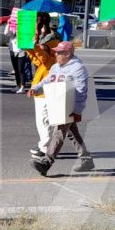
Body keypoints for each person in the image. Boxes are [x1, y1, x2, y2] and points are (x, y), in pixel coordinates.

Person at [29, 41, 95, 175]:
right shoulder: (55, 67)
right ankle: (86, 160)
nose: (56, 54)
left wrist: (77, 110)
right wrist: (35, 89)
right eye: (56, 52)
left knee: (58, 131)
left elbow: (81, 91)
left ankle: (46, 162)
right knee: (72, 133)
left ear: (68, 54)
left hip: (69, 105)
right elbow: (47, 80)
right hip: (58, 104)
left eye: (59, 52)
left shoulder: (78, 68)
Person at [27, 31, 59, 158]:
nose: (40, 45)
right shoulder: (50, 56)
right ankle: (45, 145)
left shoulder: (51, 58)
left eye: (42, 44)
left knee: (43, 121)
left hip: (44, 94)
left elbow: (42, 57)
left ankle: (45, 148)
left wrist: (33, 46)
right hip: (42, 94)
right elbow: (36, 59)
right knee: (44, 121)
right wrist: (29, 48)